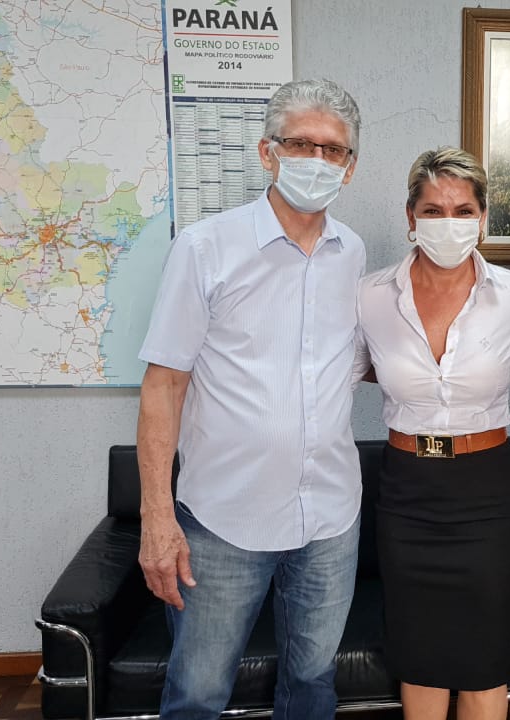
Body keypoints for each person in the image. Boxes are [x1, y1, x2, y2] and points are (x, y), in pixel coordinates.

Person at [135, 78, 365, 720]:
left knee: (312, 684)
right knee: (198, 694)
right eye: (301, 144)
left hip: (330, 518)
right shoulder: (205, 248)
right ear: (268, 152)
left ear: (349, 167)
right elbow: (163, 385)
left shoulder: (352, 253)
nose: (317, 160)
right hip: (223, 521)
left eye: (333, 150)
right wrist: (157, 517)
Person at [352, 147, 510, 720]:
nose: (447, 222)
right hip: (407, 493)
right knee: (420, 658)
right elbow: (338, 376)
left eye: (462, 210)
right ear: (410, 217)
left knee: (484, 662)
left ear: (482, 218)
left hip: (488, 494)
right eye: (432, 210)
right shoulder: (370, 296)